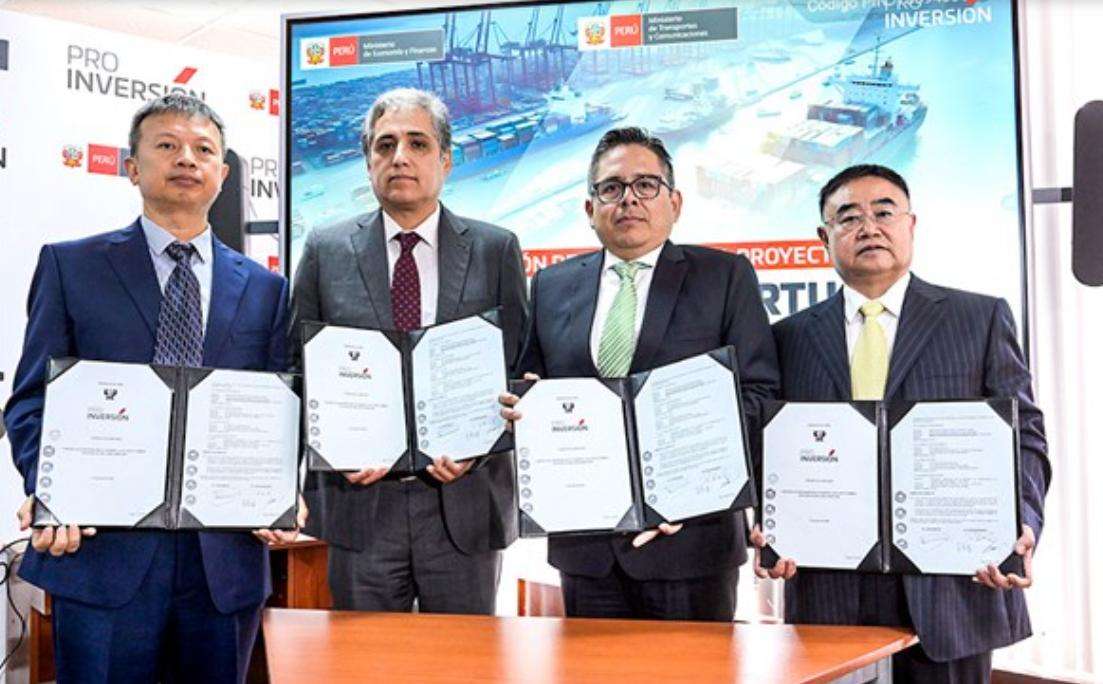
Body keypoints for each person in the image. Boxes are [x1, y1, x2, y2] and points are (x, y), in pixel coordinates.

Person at [4, 94, 301, 682]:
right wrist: (53, 489)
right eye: (167, 145)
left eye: (203, 149)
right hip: (101, 556)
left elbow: (278, 410)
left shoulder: (267, 288)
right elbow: (33, 399)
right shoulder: (72, 266)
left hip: (223, 563)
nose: (186, 158)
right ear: (132, 167)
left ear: (222, 174)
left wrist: (279, 489)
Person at [755, 164, 1050, 682]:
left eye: (884, 212)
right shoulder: (787, 337)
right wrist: (769, 526)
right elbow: (774, 451)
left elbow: (1023, 435)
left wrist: (1019, 524)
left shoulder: (978, 318)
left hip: (954, 587)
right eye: (849, 217)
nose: (868, 227)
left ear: (911, 225)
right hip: (831, 588)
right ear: (824, 237)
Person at [500, 127, 779, 621]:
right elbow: (529, 385)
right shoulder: (550, 286)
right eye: (611, 188)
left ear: (675, 202)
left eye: (646, 185)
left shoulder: (724, 277)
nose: (628, 199)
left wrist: (689, 489)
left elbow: (758, 397)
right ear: (590, 209)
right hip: (587, 549)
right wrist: (522, 409)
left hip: (691, 544)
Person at [290, 87, 528, 615]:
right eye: (385, 144)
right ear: (367, 160)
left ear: (445, 159)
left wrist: (482, 443)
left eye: (418, 143)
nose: (400, 157)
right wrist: (332, 445)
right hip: (359, 505)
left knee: (463, 655)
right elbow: (296, 369)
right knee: (364, 656)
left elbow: (519, 370)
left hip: (465, 504)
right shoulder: (325, 250)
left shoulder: (496, 249)